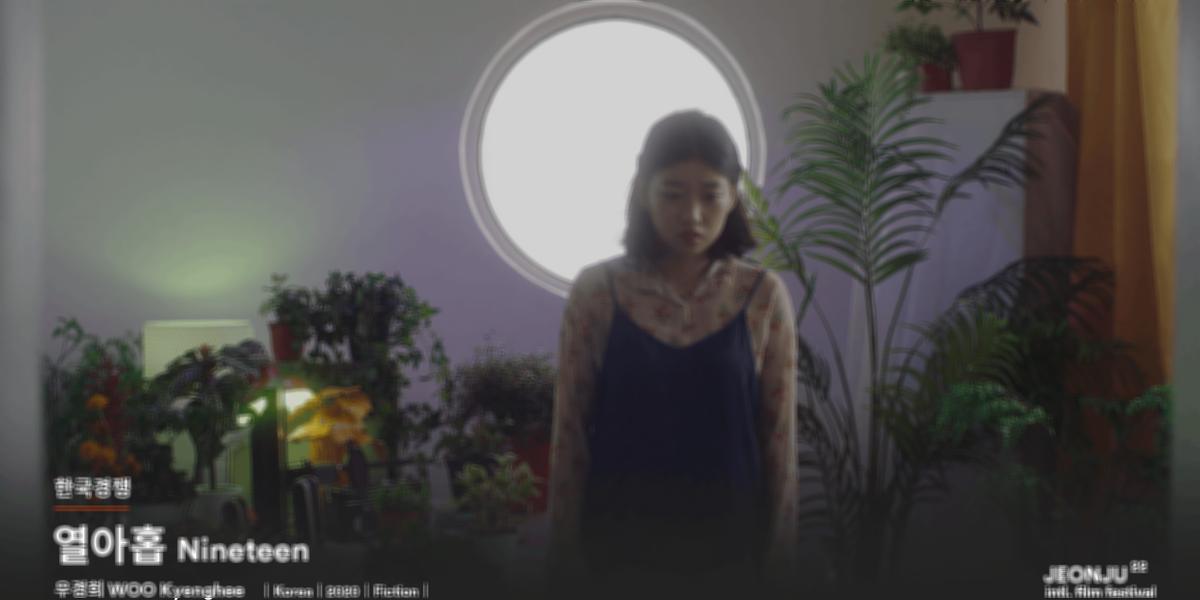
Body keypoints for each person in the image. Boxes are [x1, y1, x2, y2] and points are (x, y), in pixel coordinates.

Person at [546, 110, 799, 600]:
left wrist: (780, 563)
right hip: (618, 547)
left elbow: (779, 438)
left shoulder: (762, 295)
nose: (693, 215)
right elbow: (570, 431)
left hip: (731, 551)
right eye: (673, 194)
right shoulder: (598, 291)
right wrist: (563, 556)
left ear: (733, 197)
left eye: (710, 194)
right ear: (644, 192)